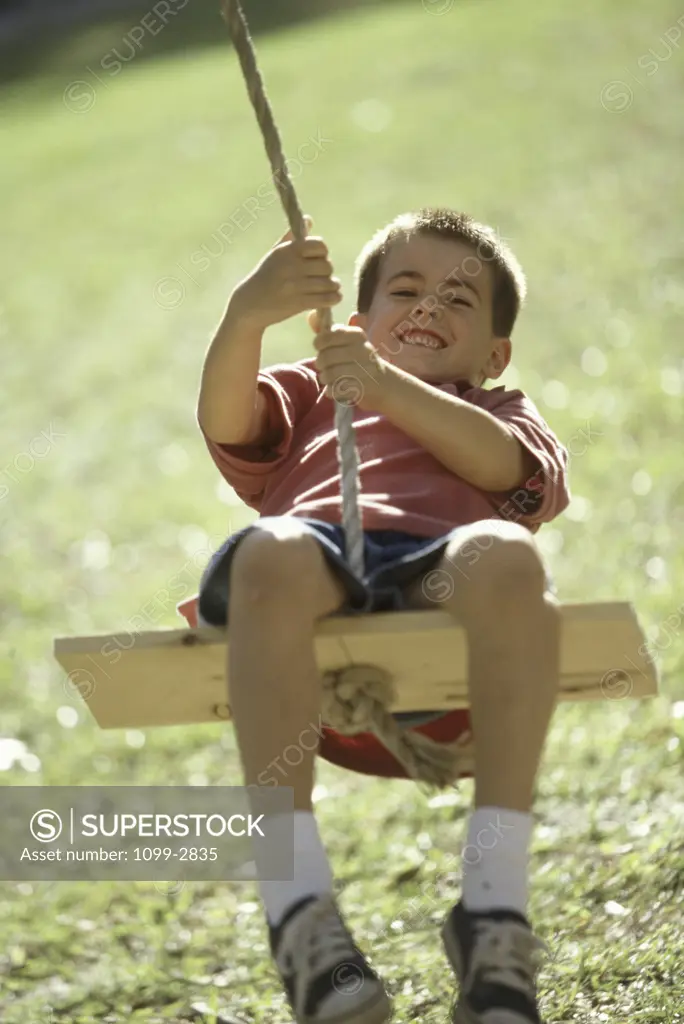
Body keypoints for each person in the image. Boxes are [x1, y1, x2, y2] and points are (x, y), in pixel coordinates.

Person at [193, 207, 571, 1024]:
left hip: (437, 590)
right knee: (271, 552)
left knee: (510, 559)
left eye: (460, 300)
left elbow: (507, 470)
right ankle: (297, 907)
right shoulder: (308, 392)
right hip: (311, 592)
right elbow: (228, 422)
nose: (430, 307)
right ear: (357, 323)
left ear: (494, 354)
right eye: (406, 290)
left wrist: (387, 386)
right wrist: (248, 315)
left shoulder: (500, 411)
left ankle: (493, 906)